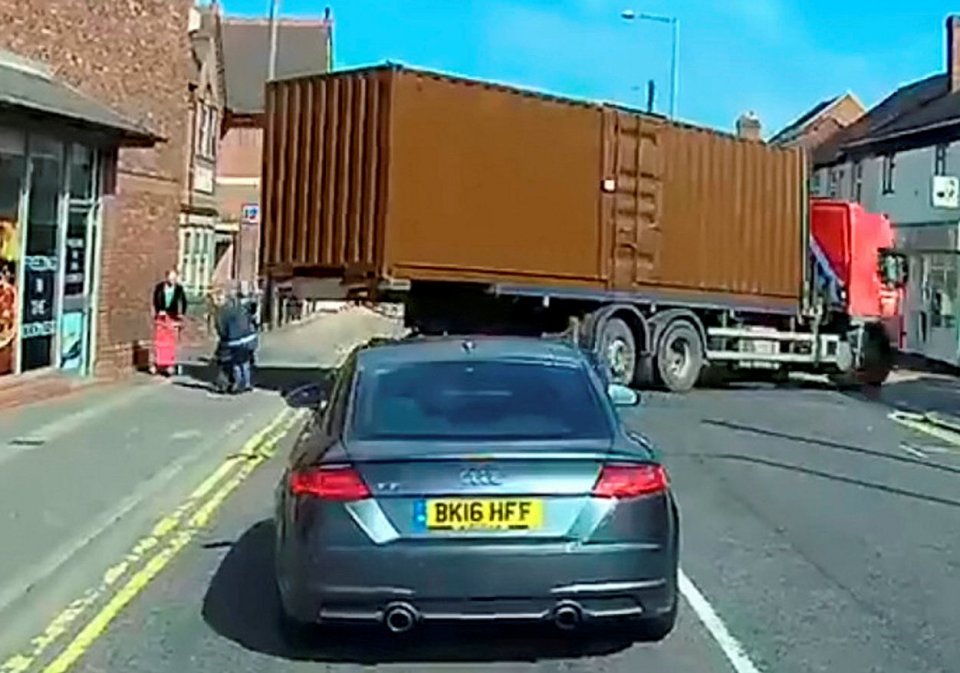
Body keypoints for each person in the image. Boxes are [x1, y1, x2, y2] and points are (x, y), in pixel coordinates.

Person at [212, 290, 257, 394]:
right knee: (244, 362)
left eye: (217, 299)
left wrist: (223, 341)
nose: (215, 302)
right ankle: (247, 383)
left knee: (236, 363)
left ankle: (239, 384)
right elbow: (249, 316)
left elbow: (222, 330)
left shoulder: (221, 312)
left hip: (235, 341)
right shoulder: (238, 305)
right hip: (249, 337)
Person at [151, 270, 187, 376]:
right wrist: (158, 310)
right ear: (166, 278)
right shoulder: (159, 287)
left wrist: (181, 315)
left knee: (171, 342)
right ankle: (158, 362)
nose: (172, 281)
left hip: (173, 316)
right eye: (171, 278)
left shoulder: (179, 289)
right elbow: (155, 300)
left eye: (174, 278)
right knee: (160, 341)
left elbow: (183, 302)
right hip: (161, 317)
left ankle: (169, 364)